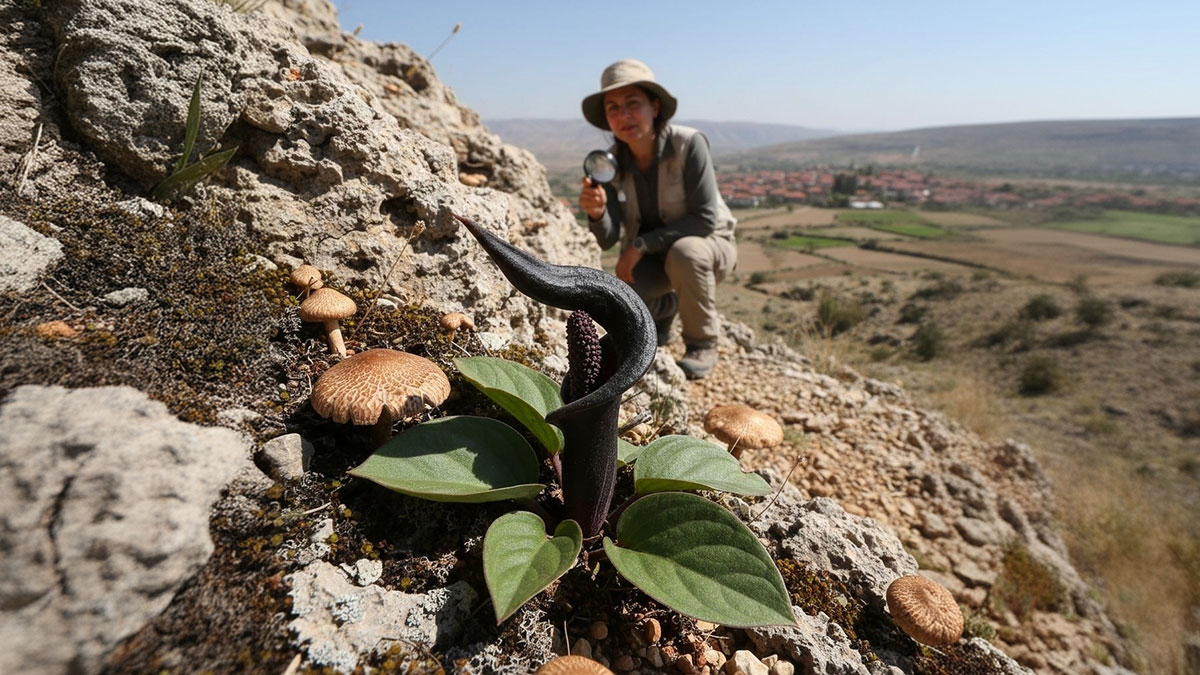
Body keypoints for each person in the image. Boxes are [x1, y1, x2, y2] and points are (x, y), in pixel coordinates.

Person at [578, 59, 737, 380]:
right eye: (613, 108)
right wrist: (596, 213)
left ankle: (702, 343)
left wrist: (639, 245)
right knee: (627, 288)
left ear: (654, 107)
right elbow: (607, 238)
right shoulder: (610, 164)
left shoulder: (689, 144)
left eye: (632, 104)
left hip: (708, 247)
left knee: (685, 252)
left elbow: (705, 220)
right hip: (654, 259)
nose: (624, 116)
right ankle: (664, 313)